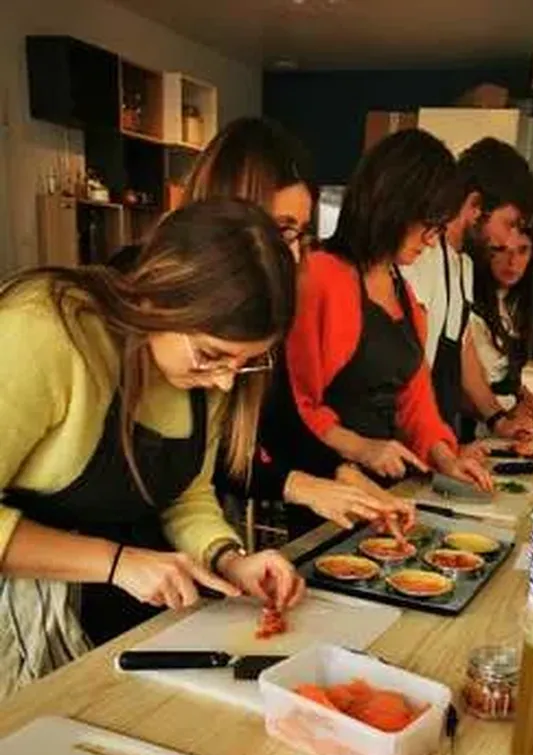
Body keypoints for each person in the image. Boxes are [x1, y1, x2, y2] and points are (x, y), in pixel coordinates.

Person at [0, 199, 305, 699]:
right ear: (160, 298)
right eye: (213, 356)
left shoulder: (207, 378)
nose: (226, 383)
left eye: (245, 364)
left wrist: (229, 557)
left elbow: (187, 496)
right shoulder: (47, 331)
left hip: (121, 630)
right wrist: (117, 562)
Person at [109, 117, 413, 534]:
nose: (289, 255)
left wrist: (343, 474)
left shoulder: (263, 304)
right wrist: (301, 484)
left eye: (299, 236)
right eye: (280, 230)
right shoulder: (132, 291)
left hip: (188, 528)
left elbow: (278, 420)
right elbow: (190, 463)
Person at [277, 129, 493, 496]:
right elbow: (297, 404)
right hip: (328, 485)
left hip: (389, 487)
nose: (431, 241)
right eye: (428, 226)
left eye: (438, 229)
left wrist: (444, 455)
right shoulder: (320, 276)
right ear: (393, 207)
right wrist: (362, 448)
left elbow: (416, 401)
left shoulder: (404, 293)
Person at [400, 138, 533, 441]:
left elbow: (463, 353)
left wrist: (497, 420)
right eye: (510, 223)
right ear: (476, 206)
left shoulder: (462, 264)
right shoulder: (421, 257)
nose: (508, 239)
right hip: (404, 438)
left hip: (435, 436)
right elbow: (411, 365)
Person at [469, 225, 533, 435]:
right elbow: (463, 386)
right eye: (501, 250)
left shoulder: (511, 304)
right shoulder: (469, 306)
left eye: (523, 250)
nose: (512, 262)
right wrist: (508, 414)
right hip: (471, 431)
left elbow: (505, 379)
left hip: (499, 429)